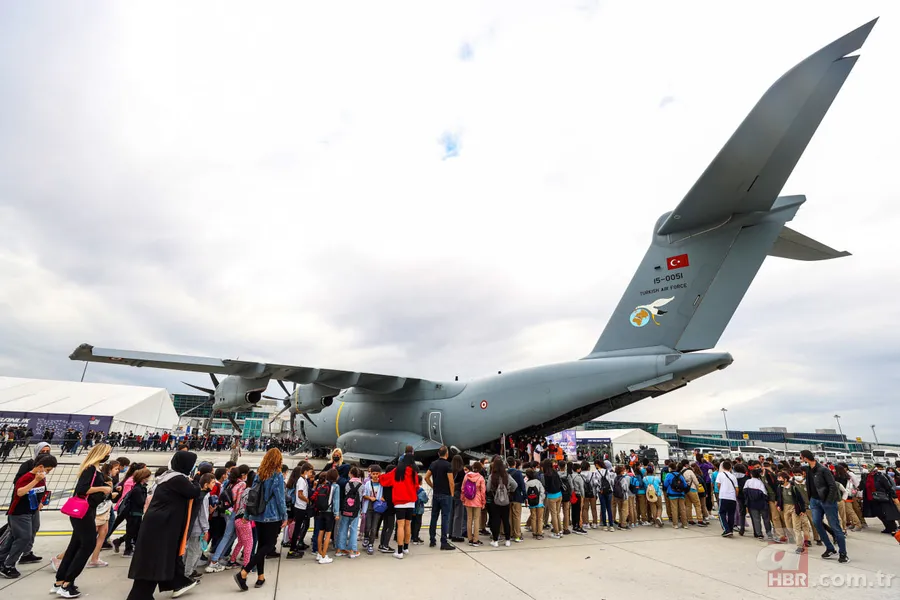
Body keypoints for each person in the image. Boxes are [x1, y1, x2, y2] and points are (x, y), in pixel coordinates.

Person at [125, 451, 203, 600]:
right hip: (162, 527)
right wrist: (195, 480)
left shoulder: (169, 476)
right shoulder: (178, 479)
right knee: (154, 562)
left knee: (154, 562)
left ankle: (146, 593)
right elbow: (194, 491)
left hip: (158, 525)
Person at [234, 447, 287, 590]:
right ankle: (244, 572)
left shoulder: (259, 474)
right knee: (268, 546)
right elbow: (280, 498)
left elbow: (252, 496)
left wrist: (246, 515)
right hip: (272, 515)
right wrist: (284, 516)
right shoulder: (277, 475)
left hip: (258, 515)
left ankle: (260, 576)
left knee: (261, 546)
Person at [0, 453, 57, 578]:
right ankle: (9, 565)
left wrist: (42, 501)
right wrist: (35, 480)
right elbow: (20, 492)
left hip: (30, 511)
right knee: (23, 538)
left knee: (13, 538)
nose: (48, 472)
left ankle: (2, 560)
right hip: (19, 513)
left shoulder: (41, 478)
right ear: (40, 466)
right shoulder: (27, 477)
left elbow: (41, 491)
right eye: (47, 470)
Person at [800, 450, 848, 563]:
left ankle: (843, 553)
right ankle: (830, 548)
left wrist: (828, 501)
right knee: (816, 522)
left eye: (801, 457)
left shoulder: (823, 470)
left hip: (826, 501)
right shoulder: (808, 470)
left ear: (805, 458)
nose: (800, 459)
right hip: (814, 501)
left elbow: (832, 486)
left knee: (835, 526)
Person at [379, 445, 420, 559]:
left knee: (400, 525)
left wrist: (378, 477)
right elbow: (416, 486)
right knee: (408, 524)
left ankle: (400, 551)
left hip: (399, 501)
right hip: (411, 500)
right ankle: (406, 548)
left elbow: (385, 480)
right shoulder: (413, 472)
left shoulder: (397, 471)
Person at [424, 446, 455, 550]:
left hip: (436, 494)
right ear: (447, 454)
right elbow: (451, 481)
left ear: (438, 454)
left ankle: (432, 539)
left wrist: (433, 486)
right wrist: (452, 494)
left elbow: (426, 477)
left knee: (434, 517)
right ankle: (444, 541)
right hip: (446, 494)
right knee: (445, 518)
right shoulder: (448, 465)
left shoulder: (433, 464)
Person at [863, 464, 900, 534]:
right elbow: (864, 486)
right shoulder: (868, 477)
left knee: (887, 513)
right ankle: (888, 527)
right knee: (878, 513)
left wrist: (893, 496)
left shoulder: (881, 476)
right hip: (872, 498)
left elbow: (888, 487)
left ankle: (893, 527)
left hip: (882, 497)